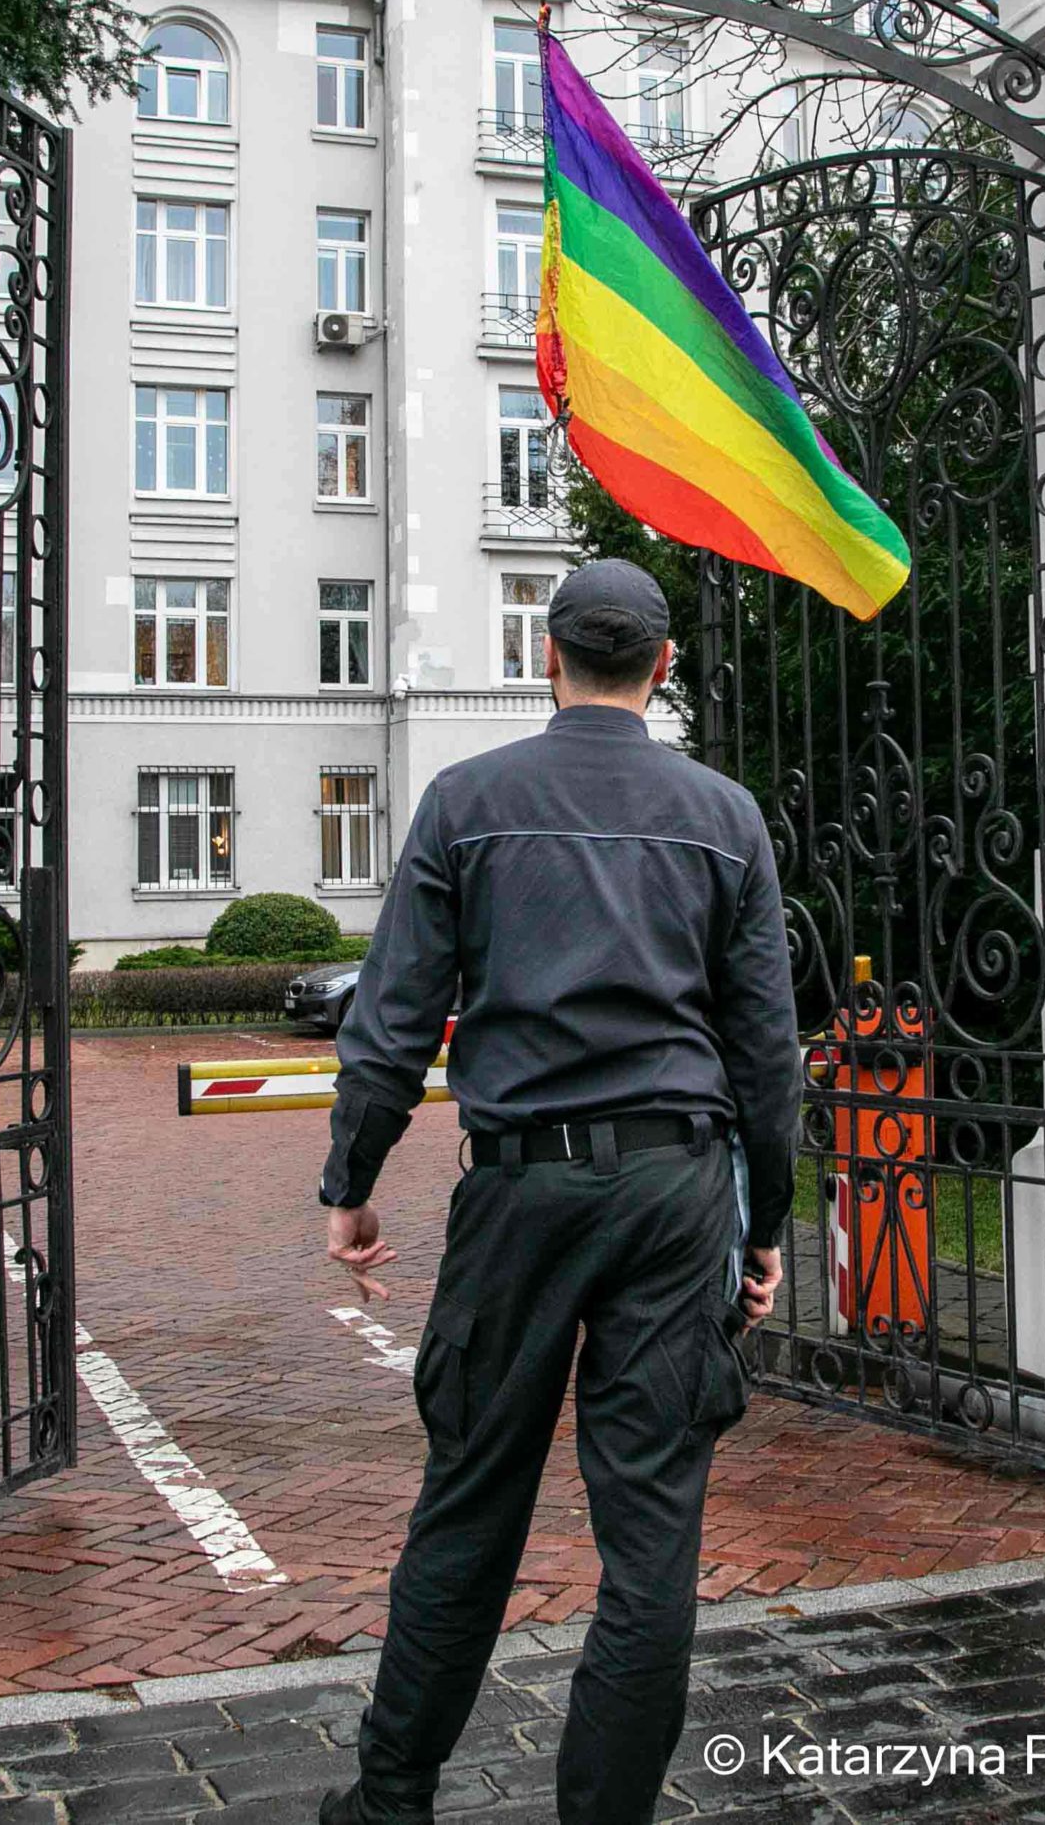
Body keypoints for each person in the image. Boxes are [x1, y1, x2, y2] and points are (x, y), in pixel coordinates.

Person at [315, 557, 801, 1825]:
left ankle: (389, 1800)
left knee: (469, 1504)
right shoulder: (725, 816)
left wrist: (351, 1182)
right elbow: (764, 1051)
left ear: (547, 657)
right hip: (674, 1191)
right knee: (651, 1546)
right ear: (663, 667)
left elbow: (393, 1016)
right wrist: (766, 1224)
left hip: (521, 1193)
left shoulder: (466, 802)